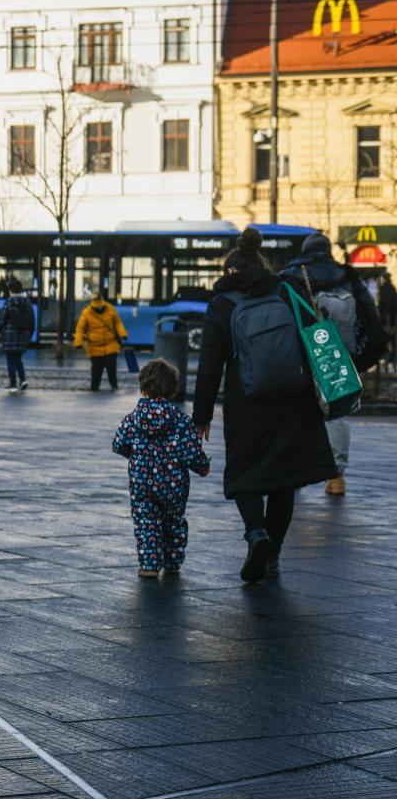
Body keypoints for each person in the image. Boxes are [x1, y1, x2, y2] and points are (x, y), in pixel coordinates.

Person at [192, 230, 336, 584]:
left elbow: (210, 364)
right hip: (294, 399)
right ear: (262, 263)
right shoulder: (287, 290)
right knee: (284, 480)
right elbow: (312, 337)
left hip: (247, 403)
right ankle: (273, 555)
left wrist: (202, 416)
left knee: (244, 475)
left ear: (230, 271)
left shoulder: (222, 304)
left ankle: (256, 533)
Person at [280, 233, 388, 496]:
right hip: (337, 352)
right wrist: (364, 354)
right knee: (337, 411)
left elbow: (280, 314)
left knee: (295, 412)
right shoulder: (347, 275)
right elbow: (368, 314)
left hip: (301, 352)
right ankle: (336, 477)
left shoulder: (290, 275)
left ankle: (294, 473)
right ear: (328, 251)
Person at [113, 359, 211, 578]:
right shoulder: (181, 421)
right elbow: (192, 452)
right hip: (175, 485)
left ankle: (149, 565)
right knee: (174, 521)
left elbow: (118, 444)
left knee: (146, 522)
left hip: (141, 483)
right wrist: (203, 467)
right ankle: (173, 560)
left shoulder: (132, 420)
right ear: (172, 390)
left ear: (143, 388)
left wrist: (134, 452)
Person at [73, 289, 129, 391]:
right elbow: (80, 328)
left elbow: (117, 323)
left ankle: (114, 386)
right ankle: (94, 387)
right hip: (95, 347)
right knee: (96, 371)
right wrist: (78, 342)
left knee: (111, 369)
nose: (99, 308)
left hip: (110, 345)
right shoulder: (86, 312)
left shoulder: (110, 309)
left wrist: (123, 334)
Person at [0, 279, 33, 393]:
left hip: (10, 335)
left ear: (10, 290)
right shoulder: (27, 302)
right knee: (18, 359)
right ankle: (23, 380)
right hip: (23, 335)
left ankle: (13, 384)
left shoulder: (9, 301)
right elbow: (32, 319)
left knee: (10, 359)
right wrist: (29, 334)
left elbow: (2, 318)